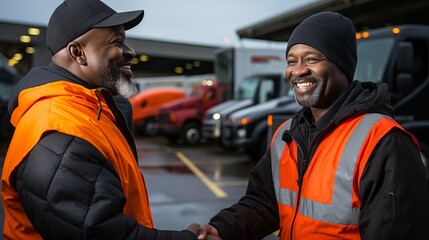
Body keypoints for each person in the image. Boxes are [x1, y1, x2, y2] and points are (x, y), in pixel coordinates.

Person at [197, 11, 429, 240]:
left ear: (343, 66)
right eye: (291, 61)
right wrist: (223, 229)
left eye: (311, 59)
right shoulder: (285, 135)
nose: (298, 71)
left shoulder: (384, 141)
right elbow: (263, 203)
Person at [1, 0, 205, 239]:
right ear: (78, 53)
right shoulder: (60, 131)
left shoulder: (92, 110)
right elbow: (99, 232)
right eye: (117, 42)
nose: (130, 52)